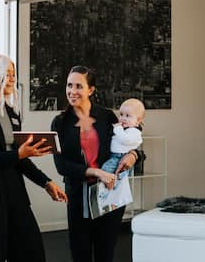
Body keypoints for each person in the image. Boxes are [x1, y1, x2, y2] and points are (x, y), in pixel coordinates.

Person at [0, 53, 67, 262]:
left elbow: (19, 160)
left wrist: (46, 182)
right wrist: (18, 153)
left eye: (13, 74)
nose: (12, 79)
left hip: (15, 196)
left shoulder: (11, 112)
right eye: (7, 74)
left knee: (33, 253)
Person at [51, 65, 139, 262]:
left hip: (110, 195)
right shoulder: (60, 123)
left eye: (78, 86)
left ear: (90, 90)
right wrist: (96, 172)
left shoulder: (107, 116)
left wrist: (134, 155)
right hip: (78, 197)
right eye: (69, 85)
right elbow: (62, 166)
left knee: (105, 253)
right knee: (80, 253)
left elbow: (128, 143)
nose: (72, 91)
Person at [102, 98, 145, 188]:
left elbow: (125, 140)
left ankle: (111, 191)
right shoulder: (125, 129)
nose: (123, 118)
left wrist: (117, 128)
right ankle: (111, 191)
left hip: (120, 157)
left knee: (106, 172)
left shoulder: (134, 131)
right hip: (114, 156)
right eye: (121, 114)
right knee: (111, 175)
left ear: (138, 120)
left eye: (128, 116)